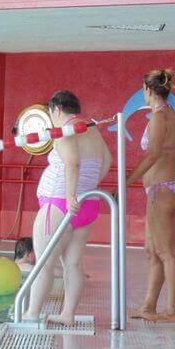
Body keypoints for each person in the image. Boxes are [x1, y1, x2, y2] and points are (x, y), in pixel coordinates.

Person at [23, 90, 112, 325]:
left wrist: (71, 194)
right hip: (87, 204)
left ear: (56, 110)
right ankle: (67, 314)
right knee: (72, 264)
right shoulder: (91, 129)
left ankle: (32, 313)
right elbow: (107, 160)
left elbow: (72, 162)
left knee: (45, 263)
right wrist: (88, 185)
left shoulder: (65, 130)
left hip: (61, 204)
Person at [127, 69, 175, 323]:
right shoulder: (171, 115)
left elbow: (152, 155)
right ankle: (149, 306)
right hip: (161, 189)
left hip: (162, 189)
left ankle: (172, 311)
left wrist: (125, 182)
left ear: (148, 90)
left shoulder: (161, 117)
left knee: (166, 252)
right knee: (153, 251)